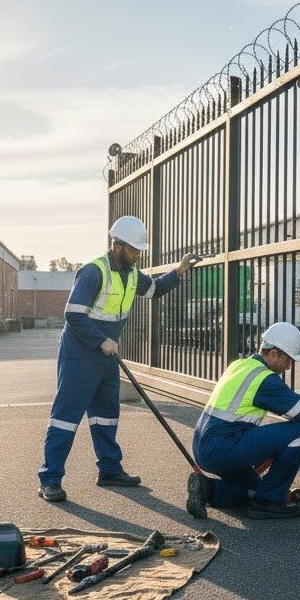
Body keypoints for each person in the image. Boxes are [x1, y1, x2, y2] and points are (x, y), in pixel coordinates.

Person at [38, 215, 198, 502]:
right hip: (80, 354)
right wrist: (102, 340)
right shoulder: (93, 271)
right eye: (134, 249)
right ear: (117, 245)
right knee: (66, 417)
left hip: (107, 355)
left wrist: (180, 270)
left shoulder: (132, 274)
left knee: (106, 414)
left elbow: (155, 290)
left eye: (139, 250)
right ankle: (50, 479)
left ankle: (109, 470)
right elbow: (73, 314)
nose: (138, 254)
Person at [186, 321, 300, 520]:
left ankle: (208, 489)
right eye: (288, 359)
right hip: (224, 449)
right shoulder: (264, 379)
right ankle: (269, 502)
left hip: (204, 448)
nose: (289, 366)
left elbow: (290, 398)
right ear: (273, 354)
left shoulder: (240, 365)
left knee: (254, 490)